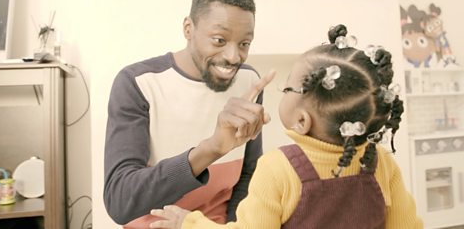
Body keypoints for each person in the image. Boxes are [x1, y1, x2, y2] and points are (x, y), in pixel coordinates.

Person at [148, 25, 424, 229]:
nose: (282, 91)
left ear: (302, 121)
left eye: (287, 86)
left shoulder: (278, 168)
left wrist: (190, 223)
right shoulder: (382, 163)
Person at [104, 0, 276, 228]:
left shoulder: (249, 81)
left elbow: (248, 175)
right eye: (219, 40)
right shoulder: (138, 83)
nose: (233, 56)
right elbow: (120, 201)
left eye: (244, 43)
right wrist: (211, 149)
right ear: (188, 29)